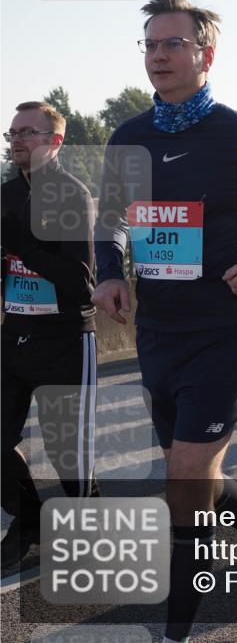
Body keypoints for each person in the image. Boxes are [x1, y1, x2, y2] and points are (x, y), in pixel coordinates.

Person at [93, 0, 237, 643]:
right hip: (157, 333)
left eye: (172, 44)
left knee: (185, 479)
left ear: (206, 53)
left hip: (225, 330)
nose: (158, 55)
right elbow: (107, 221)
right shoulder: (128, 138)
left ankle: (175, 632)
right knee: (198, 476)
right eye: (149, 44)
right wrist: (110, 271)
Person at [1, 101, 99, 570]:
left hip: (63, 340)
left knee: (69, 458)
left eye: (28, 133)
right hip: (13, 336)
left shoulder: (69, 194)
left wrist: (19, 243)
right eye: (12, 133)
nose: (17, 140)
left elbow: (81, 283)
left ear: (55, 141)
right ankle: (29, 522)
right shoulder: (5, 195)